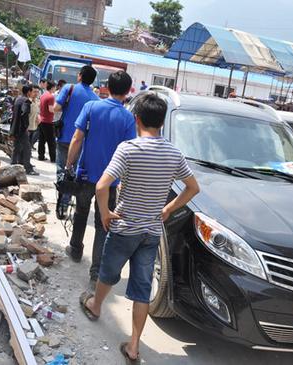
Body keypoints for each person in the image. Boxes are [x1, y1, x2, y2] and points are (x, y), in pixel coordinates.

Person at [79, 93, 200, 363]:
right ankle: (134, 346)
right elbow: (193, 187)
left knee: (108, 273)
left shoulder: (128, 149)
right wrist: (168, 209)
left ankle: (95, 306)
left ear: (137, 119)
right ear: (162, 122)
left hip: (125, 229)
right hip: (151, 232)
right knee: (142, 289)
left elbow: (101, 186)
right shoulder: (174, 153)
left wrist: (105, 214)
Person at [63, 71, 136, 285]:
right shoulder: (127, 118)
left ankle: (75, 249)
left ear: (106, 87)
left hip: (85, 173)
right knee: (104, 222)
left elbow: (77, 138)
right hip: (110, 180)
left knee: (81, 212)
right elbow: (128, 150)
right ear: (128, 90)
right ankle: (96, 272)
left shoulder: (92, 107)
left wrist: (69, 163)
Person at [53, 66, 99, 219]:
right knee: (73, 173)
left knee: (62, 169)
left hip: (64, 136)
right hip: (81, 141)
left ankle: (61, 204)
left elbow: (56, 108)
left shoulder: (69, 88)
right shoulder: (95, 99)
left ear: (79, 76)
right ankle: (66, 204)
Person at [10, 85, 38, 176]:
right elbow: (25, 113)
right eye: (32, 91)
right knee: (27, 148)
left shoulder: (18, 99)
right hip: (22, 129)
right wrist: (26, 126)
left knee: (16, 147)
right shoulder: (26, 101)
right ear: (29, 92)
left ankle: (13, 165)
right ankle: (28, 169)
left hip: (15, 127)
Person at [38, 81, 57, 162]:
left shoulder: (43, 95)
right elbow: (50, 109)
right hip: (48, 121)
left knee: (41, 140)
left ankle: (41, 156)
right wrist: (57, 110)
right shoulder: (51, 97)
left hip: (41, 120)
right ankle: (53, 158)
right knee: (51, 141)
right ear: (52, 87)